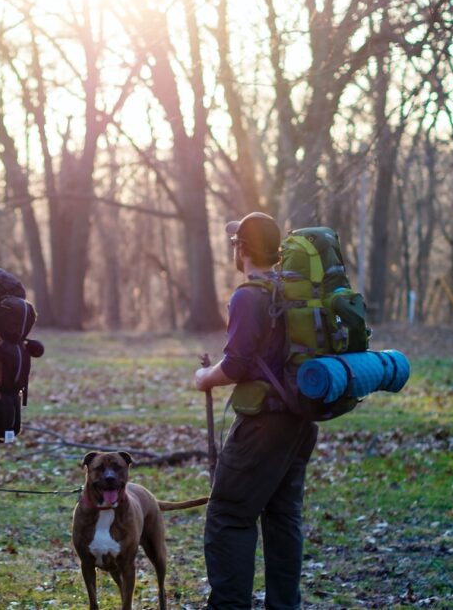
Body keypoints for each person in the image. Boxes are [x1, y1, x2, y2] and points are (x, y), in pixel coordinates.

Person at [193, 212, 319, 610]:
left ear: (241, 249)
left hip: (264, 425)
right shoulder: (290, 290)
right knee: (283, 519)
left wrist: (204, 378)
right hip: (300, 420)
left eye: (235, 243)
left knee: (229, 514)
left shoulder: (249, 296)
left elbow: (236, 365)